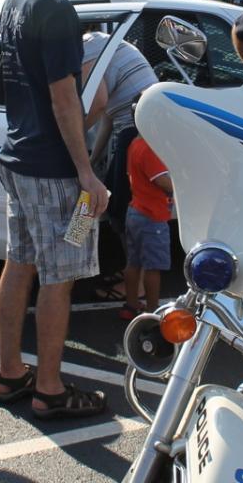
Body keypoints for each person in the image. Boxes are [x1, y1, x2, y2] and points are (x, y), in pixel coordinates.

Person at [0, 0, 110, 420]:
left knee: (19, 264)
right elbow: (65, 100)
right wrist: (86, 173)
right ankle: (49, 389)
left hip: (19, 158)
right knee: (59, 277)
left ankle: (10, 373)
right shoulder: (58, 10)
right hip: (54, 169)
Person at [80, 31, 160, 295]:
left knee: (121, 212)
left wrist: (71, 138)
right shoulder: (103, 43)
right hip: (139, 128)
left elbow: (99, 103)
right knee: (121, 210)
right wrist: (91, 158)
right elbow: (109, 115)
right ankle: (131, 273)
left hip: (138, 132)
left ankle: (134, 286)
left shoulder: (87, 50)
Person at [119, 130, 174, 322]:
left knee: (133, 262)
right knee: (153, 267)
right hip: (153, 216)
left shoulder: (135, 142)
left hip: (136, 211)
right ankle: (153, 311)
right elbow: (162, 181)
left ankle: (131, 304)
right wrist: (182, 185)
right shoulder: (150, 148)